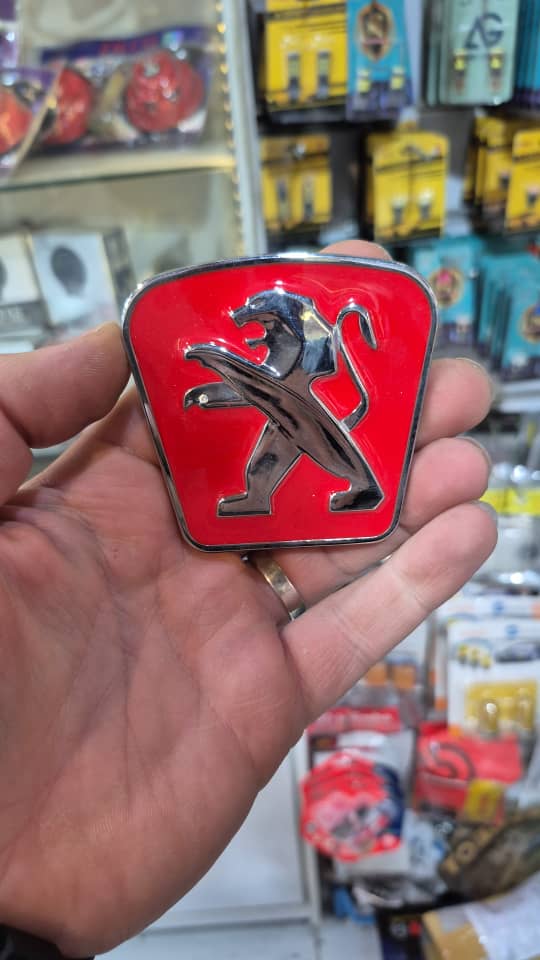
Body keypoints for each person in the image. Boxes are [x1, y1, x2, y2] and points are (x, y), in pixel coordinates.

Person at [0, 241, 496, 958]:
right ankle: (316, 491)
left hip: (296, 418)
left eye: (260, 321)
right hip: (279, 433)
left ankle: (339, 488)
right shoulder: (282, 344)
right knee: (283, 441)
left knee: (296, 434)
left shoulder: (300, 342)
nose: (252, 326)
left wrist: (221, 382)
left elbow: (279, 386)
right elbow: (273, 386)